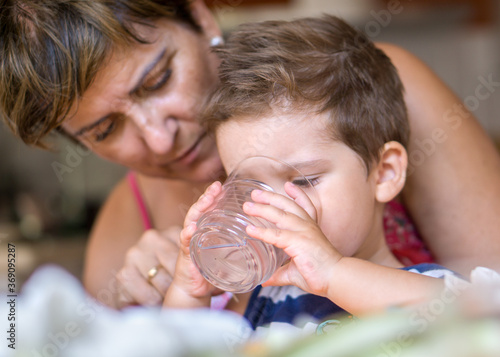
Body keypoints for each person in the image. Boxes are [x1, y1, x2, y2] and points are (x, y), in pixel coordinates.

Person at [1, 0, 499, 309]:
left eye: (158, 80)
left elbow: (490, 309)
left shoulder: (374, 94)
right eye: (106, 128)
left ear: (199, 16)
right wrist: (168, 301)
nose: (158, 138)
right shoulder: (125, 236)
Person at [163, 15, 456, 331]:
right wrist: (189, 292)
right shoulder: (265, 299)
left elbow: (473, 320)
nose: (276, 210)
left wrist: (333, 275)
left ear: (384, 173)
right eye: (251, 187)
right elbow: (175, 347)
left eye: (304, 181)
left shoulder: (429, 289)